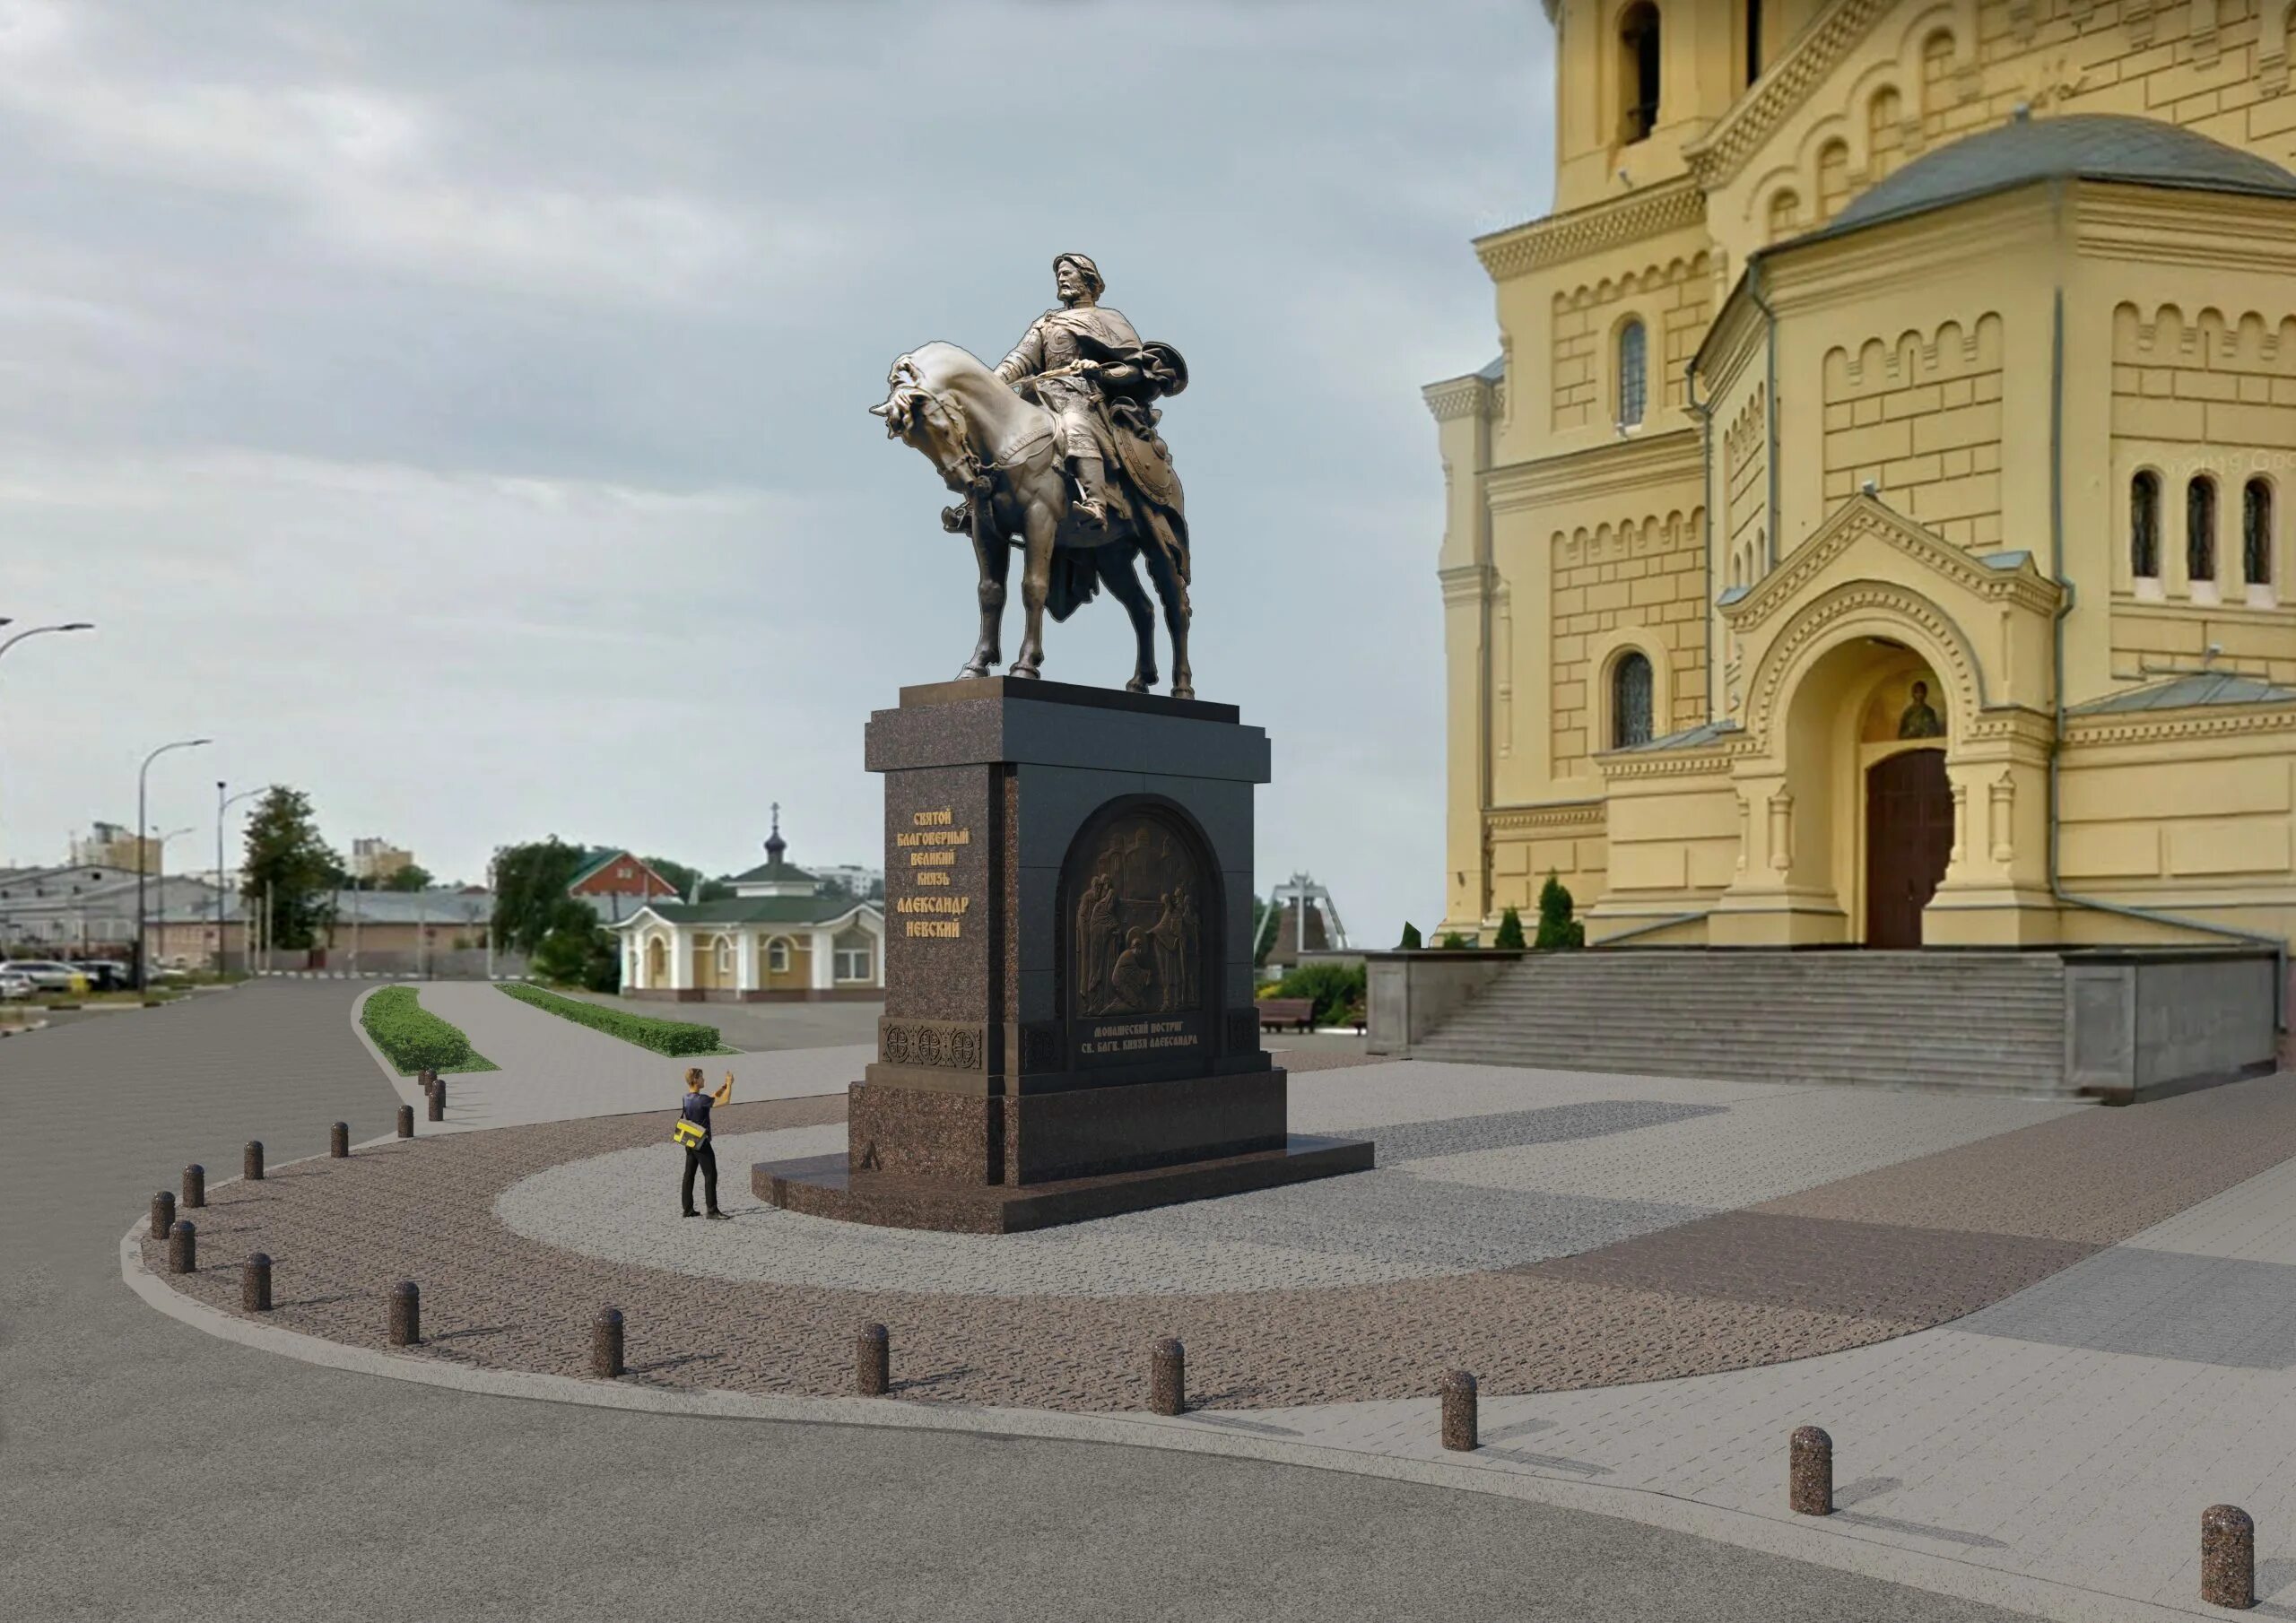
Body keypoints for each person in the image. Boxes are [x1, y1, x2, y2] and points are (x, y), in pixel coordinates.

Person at [993, 252, 1145, 527]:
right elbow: (1020, 360)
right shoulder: (1047, 322)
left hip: (1083, 397)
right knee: (1000, 433)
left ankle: (1096, 503)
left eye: (1067, 272)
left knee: (1074, 424)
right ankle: (977, 503)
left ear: (1087, 279)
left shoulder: (1109, 319)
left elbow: (1136, 367)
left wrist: (1100, 371)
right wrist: (990, 383)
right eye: (1058, 274)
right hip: (1037, 396)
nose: (1061, 278)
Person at [677, 1067, 734, 1219]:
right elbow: (725, 1101)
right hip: (701, 1142)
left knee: (689, 1174)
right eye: (701, 1077)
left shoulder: (686, 1097)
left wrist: (722, 1088)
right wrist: (730, 1084)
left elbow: (712, 1098)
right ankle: (712, 1210)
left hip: (689, 1140)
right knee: (710, 1174)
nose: (704, 1080)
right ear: (695, 1080)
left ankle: (687, 1209)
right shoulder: (701, 1100)